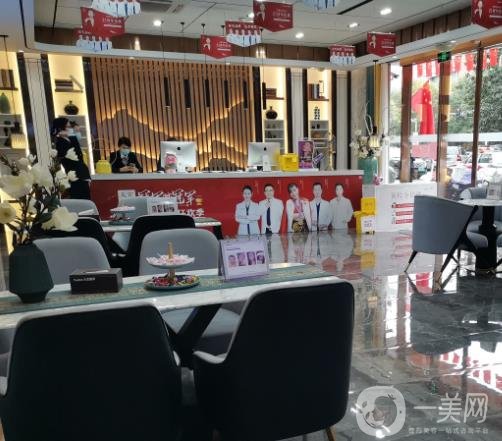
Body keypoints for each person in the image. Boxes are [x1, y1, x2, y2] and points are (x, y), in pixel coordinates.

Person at [52, 117, 91, 199]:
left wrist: (72, 136)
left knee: (86, 198)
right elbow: (71, 157)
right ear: (61, 128)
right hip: (74, 175)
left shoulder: (70, 139)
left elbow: (79, 155)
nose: (70, 129)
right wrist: (72, 136)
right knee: (79, 199)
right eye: (68, 127)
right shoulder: (59, 142)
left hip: (81, 174)